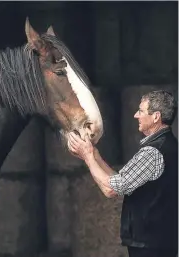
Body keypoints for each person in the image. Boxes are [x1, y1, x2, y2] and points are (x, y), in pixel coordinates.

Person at [68, 90, 178, 257]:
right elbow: (120, 180)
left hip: (149, 244)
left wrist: (88, 157)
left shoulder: (152, 153)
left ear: (156, 117)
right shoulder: (167, 145)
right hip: (157, 241)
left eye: (141, 111)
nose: (135, 115)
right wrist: (94, 154)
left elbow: (111, 189)